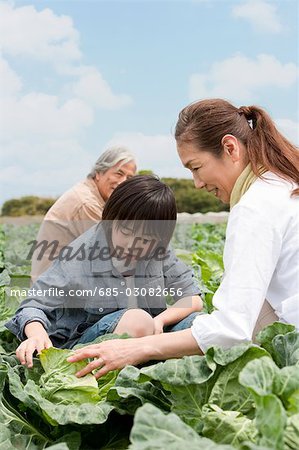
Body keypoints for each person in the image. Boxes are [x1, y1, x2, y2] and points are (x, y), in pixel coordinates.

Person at [64, 98, 299, 380]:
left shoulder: (254, 206)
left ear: (230, 148)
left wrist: (139, 348)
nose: (197, 183)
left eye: (196, 167)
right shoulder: (281, 184)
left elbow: (231, 330)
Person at [7, 175, 203, 368]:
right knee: (138, 321)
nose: (133, 246)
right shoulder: (80, 255)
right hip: (87, 346)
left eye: (145, 240)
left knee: (202, 327)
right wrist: (36, 335)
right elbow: (33, 305)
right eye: (126, 232)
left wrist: (160, 321)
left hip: (144, 342)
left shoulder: (158, 248)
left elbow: (193, 298)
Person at [30, 146, 137, 281]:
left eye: (129, 177)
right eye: (118, 174)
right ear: (99, 173)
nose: (123, 182)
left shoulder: (96, 197)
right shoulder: (86, 203)